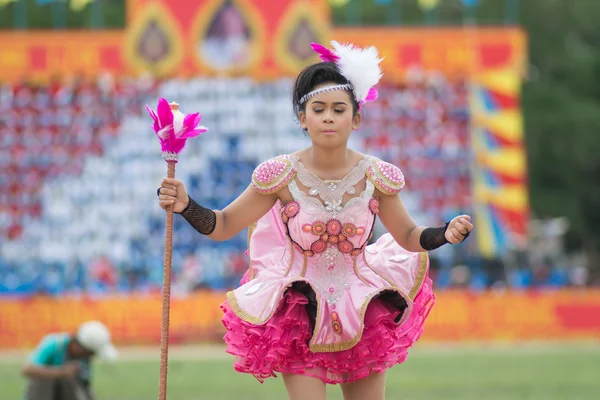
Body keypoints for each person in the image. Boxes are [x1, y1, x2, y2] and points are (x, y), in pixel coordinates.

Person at [157, 40, 473, 400]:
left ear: (355, 118)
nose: (327, 117)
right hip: (299, 310)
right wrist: (186, 205)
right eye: (317, 108)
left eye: (339, 109)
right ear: (302, 119)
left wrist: (444, 234)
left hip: (363, 307)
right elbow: (225, 224)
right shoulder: (279, 175)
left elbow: (409, 235)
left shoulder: (378, 177)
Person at [22, 320, 118, 400]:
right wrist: (62, 372)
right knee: (47, 377)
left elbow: (86, 388)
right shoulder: (54, 344)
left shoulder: (83, 359)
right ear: (82, 348)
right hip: (43, 394)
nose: (92, 357)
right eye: (91, 353)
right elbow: (27, 369)